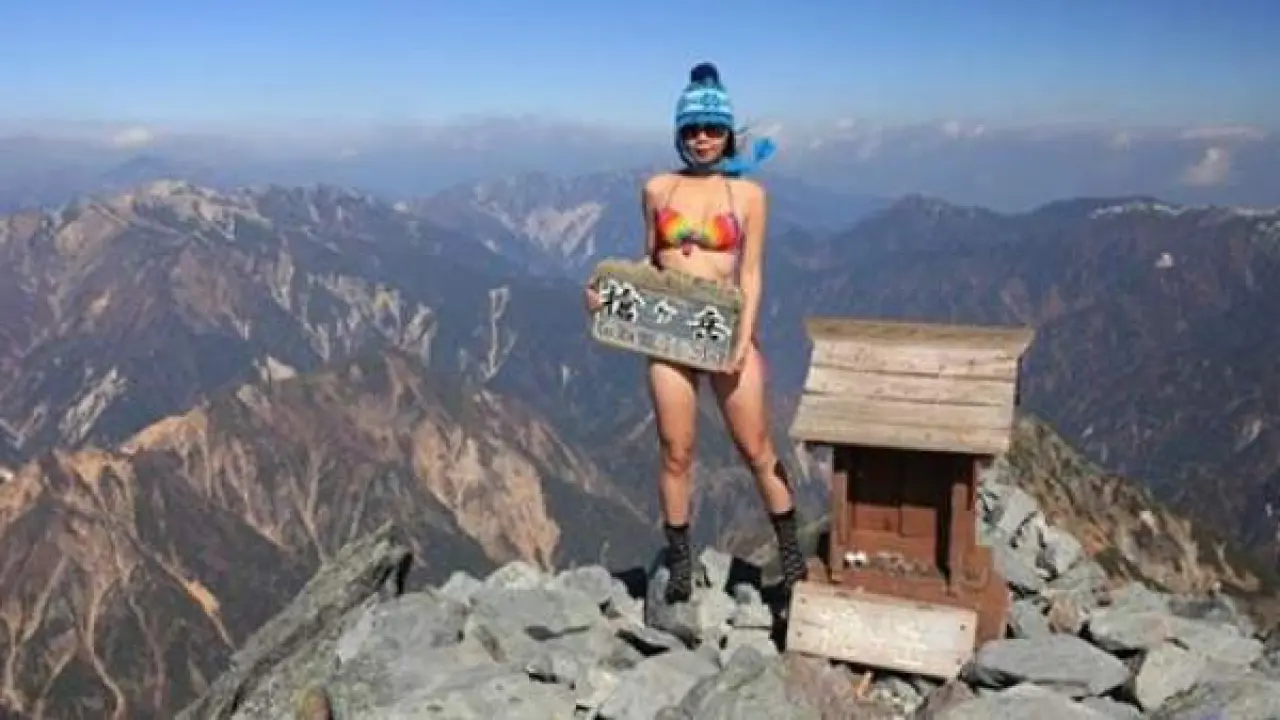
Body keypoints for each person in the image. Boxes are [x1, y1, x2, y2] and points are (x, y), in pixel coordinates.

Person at [584, 61, 807, 603]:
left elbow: (750, 275)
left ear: (727, 133)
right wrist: (610, 296)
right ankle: (680, 564)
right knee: (675, 451)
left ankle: (793, 557)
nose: (701, 138)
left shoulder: (749, 195)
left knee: (757, 448)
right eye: (692, 129)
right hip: (668, 330)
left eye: (711, 128)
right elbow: (650, 260)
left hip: (725, 329)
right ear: (679, 133)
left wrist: (742, 338)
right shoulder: (657, 189)